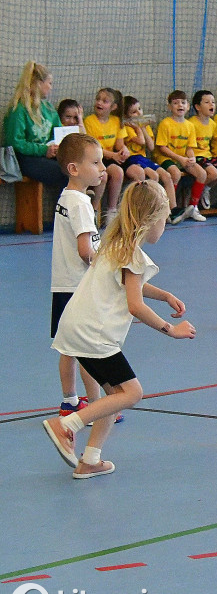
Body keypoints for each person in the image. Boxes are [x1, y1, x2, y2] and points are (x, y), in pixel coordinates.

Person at [42, 180, 195, 479]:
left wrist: (164, 295)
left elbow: (130, 282)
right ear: (150, 221)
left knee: (114, 394)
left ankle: (90, 459)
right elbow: (135, 305)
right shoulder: (133, 255)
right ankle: (67, 425)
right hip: (94, 336)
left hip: (75, 328)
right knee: (132, 392)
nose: (164, 226)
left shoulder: (114, 245)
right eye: (163, 219)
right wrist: (171, 329)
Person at [50, 133, 103, 420]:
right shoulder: (81, 204)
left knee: (67, 347)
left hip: (62, 284)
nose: (102, 168)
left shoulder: (67, 197)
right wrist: (105, 267)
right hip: (79, 287)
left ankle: (70, 401)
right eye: (95, 162)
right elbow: (86, 250)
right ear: (74, 169)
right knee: (88, 349)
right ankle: (96, 405)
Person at [4, 61, 65, 188]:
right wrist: (43, 150)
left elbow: (58, 132)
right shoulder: (19, 109)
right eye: (49, 83)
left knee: (75, 167)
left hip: (45, 154)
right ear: (39, 83)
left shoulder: (48, 108)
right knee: (63, 173)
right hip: (25, 158)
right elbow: (14, 142)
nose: (51, 87)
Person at [155, 90, 208, 223]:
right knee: (175, 173)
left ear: (188, 106)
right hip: (165, 158)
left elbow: (189, 147)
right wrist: (180, 159)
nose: (180, 105)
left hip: (183, 159)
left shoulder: (190, 125)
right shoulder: (165, 123)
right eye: (175, 103)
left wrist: (192, 158)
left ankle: (192, 208)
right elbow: (162, 148)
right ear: (169, 107)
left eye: (183, 103)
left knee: (202, 174)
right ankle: (169, 210)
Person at [121, 96, 177, 215]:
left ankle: (172, 210)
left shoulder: (144, 127)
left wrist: (144, 129)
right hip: (133, 159)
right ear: (127, 116)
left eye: (140, 109)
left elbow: (151, 147)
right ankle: (154, 209)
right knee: (154, 176)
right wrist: (139, 128)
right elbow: (141, 141)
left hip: (144, 158)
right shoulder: (129, 127)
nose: (139, 113)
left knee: (167, 176)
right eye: (134, 112)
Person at [83, 88, 131, 218]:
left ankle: (111, 211)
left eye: (105, 101)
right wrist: (114, 155)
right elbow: (93, 147)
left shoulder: (116, 121)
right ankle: (93, 211)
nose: (99, 103)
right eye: (98, 99)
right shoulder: (89, 121)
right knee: (102, 176)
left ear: (113, 106)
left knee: (118, 172)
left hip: (108, 158)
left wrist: (123, 150)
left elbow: (119, 144)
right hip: (94, 158)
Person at [189, 90, 217, 207]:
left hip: (208, 156)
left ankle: (205, 188)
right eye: (207, 102)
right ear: (198, 107)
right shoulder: (191, 123)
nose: (211, 105)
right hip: (196, 157)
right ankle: (195, 194)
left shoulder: (213, 124)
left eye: (213, 102)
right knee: (213, 173)